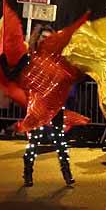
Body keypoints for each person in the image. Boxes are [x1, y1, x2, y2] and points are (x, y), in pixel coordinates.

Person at [20, 25, 76, 188]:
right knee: (34, 141)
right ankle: (28, 172)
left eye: (50, 37)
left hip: (55, 106)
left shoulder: (57, 59)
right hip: (37, 106)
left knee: (60, 140)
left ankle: (66, 172)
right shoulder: (31, 57)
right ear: (37, 39)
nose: (46, 40)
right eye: (43, 37)